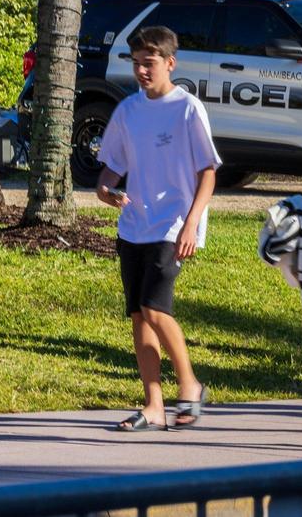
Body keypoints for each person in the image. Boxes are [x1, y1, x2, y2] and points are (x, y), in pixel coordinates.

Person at [95, 26, 220, 432]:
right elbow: (112, 166)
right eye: (136, 64)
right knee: (139, 317)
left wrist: (191, 224)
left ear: (170, 63)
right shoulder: (128, 110)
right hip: (134, 227)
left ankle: (190, 384)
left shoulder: (187, 108)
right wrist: (105, 189)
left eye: (149, 63)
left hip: (172, 227)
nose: (142, 71)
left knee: (154, 307)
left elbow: (208, 172)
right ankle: (153, 405)